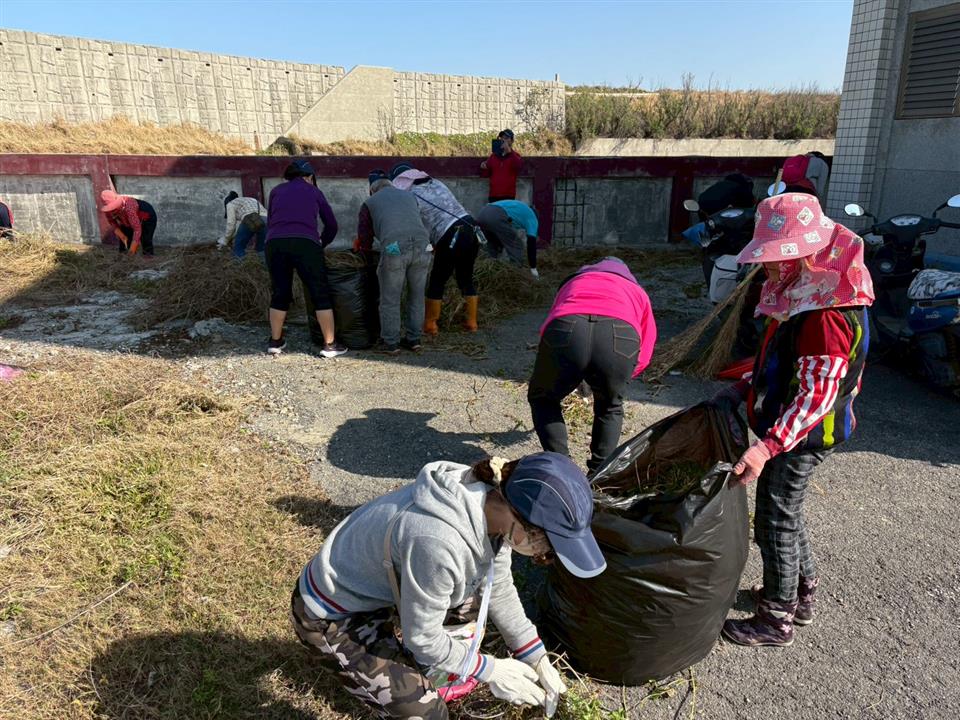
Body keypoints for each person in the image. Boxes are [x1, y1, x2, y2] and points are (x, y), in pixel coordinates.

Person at [291, 451, 605, 720]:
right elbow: (422, 638)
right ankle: (405, 679)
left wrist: (534, 655)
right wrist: (490, 669)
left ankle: (434, 672)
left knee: (471, 600)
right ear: (518, 517)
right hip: (332, 613)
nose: (543, 554)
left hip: (384, 587)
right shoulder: (439, 542)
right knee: (427, 712)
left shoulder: (491, 505)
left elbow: (497, 586)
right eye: (546, 545)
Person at [716, 193, 873, 648]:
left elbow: (816, 395)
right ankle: (801, 594)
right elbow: (783, 365)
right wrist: (745, 385)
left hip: (802, 436)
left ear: (804, 255)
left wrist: (766, 447)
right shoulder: (811, 295)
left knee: (774, 520)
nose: (767, 268)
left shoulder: (825, 315)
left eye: (775, 257)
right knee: (788, 511)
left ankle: (776, 619)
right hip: (795, 431)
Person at [527, 257, 657, 473]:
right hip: (620, 337)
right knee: (610, 406)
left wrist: (562, 367)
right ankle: (598, 477)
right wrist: (615, 377)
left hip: (567, 330)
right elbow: (646, 349)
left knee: (543, 398)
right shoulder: (637, 292)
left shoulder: (573, 282)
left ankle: (563, 470)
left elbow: (550, 326)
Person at [265, 159, 346, 358]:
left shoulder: (275, 191)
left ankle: (275, 341)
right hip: (305, 243)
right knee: (319, 292)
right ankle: (330, 345)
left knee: (280, 291)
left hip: (275, 244)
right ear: (309, 177)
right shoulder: (314, 191)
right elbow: (332, 225)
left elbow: (271, 222)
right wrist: (320, 244)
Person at [390, 163, 481, 335]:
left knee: (438, 279)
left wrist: (427, 247)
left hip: (451, 234)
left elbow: (418, 226)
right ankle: (472, 323)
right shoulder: (437, 183)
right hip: (471, 227)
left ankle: (430, 325)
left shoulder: (412, 196)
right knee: (465, 278)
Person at [356, 173, 432, 354]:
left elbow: (365, 237)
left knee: (390, 298)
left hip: (394, 248)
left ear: (371, 190)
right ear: (391, 185)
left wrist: (366, 257)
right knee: (417, 295)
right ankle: (414, 340)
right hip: (424, 246)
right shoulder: (409, 196)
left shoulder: (370, 202)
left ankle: (390, 343)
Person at [476, 200, 540, 279]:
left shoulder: (520, 209)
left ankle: (488, 271)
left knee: (492, 245)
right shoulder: (533, 218)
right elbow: (531, 244)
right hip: (496, 215)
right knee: (517, 245)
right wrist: (533, 267)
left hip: (482, 214)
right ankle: (515, 275)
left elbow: (503, 235)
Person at [99, 190, 157, 257]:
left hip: (147, 216)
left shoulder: (129, 207)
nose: (112, 211)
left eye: (113, 208)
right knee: (125, 233)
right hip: (127, 219)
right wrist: (122, 236)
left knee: (145, 237)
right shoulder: (108, 211)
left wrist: (132, 250)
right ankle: (124, 255)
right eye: (110, 208)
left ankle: (148, 255)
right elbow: (112, 222)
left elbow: (137, 230)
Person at [218, 190, 268, 260]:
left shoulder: (230, 204)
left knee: (239, 245)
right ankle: (264, 266)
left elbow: (231, 224)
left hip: (250, 218)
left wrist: (225, 240)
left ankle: (239, 265)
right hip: (267, 219)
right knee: (262, 248)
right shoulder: (251, 199)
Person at [480, 129, 522, 203]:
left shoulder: (515, 156)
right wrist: (484, 167)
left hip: (508, 195)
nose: (503, 140)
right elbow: (486, 174)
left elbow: (518, 166)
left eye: (506, 138)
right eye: (502, 138)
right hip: (494, 195)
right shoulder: (493, 156)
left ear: (511, 141)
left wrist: (509, 152)